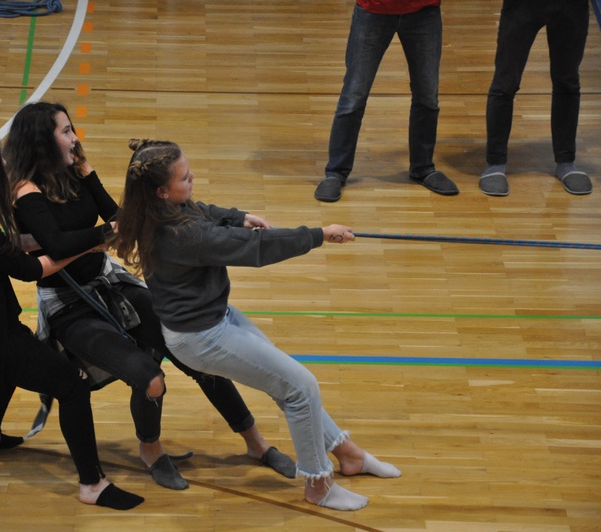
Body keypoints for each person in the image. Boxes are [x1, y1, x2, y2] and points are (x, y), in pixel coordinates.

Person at [2, 102, 298, 491]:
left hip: (110, 280)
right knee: (150, 377)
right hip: (69, 304)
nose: (75, 138)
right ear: (43, 140)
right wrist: (103, 235)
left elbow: (116, 215)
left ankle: (256, 444)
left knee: (197, 355)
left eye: (72, 129)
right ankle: (151, 449)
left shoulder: (75, 171)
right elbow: (60, 244)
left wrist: (91, 179)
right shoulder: (26, 190)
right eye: (66, 131)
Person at [115, 139, 401, 511]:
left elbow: (202, 210)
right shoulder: (185, 236)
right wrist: (318, 235)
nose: (192, 178)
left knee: (290, 386)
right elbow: (255, 248)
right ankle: (318, 485)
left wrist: (238, 216)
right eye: (184, 178)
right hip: (201, 337)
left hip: (214, 317)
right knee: (301, 387)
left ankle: (349, 455)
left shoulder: (157, 209)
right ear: (161, 191)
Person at [0, 125, 143, 511]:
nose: (5, 163)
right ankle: (92, 485)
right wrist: (96, 238)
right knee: (71, 385)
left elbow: (2, 249)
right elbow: (32, 269)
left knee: (4, 371)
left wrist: (60, 238)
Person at [315, 0, 458, 202]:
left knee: (427, 96)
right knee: (353, 97)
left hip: (424, 11)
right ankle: (335, 172)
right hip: (373, 10)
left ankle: (423, 168)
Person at [479, 0, 591, 196]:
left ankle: (566, 161)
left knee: (568, 82)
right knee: (505, 82)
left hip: (572, 6)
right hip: (523, 5)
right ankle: (495, 163)